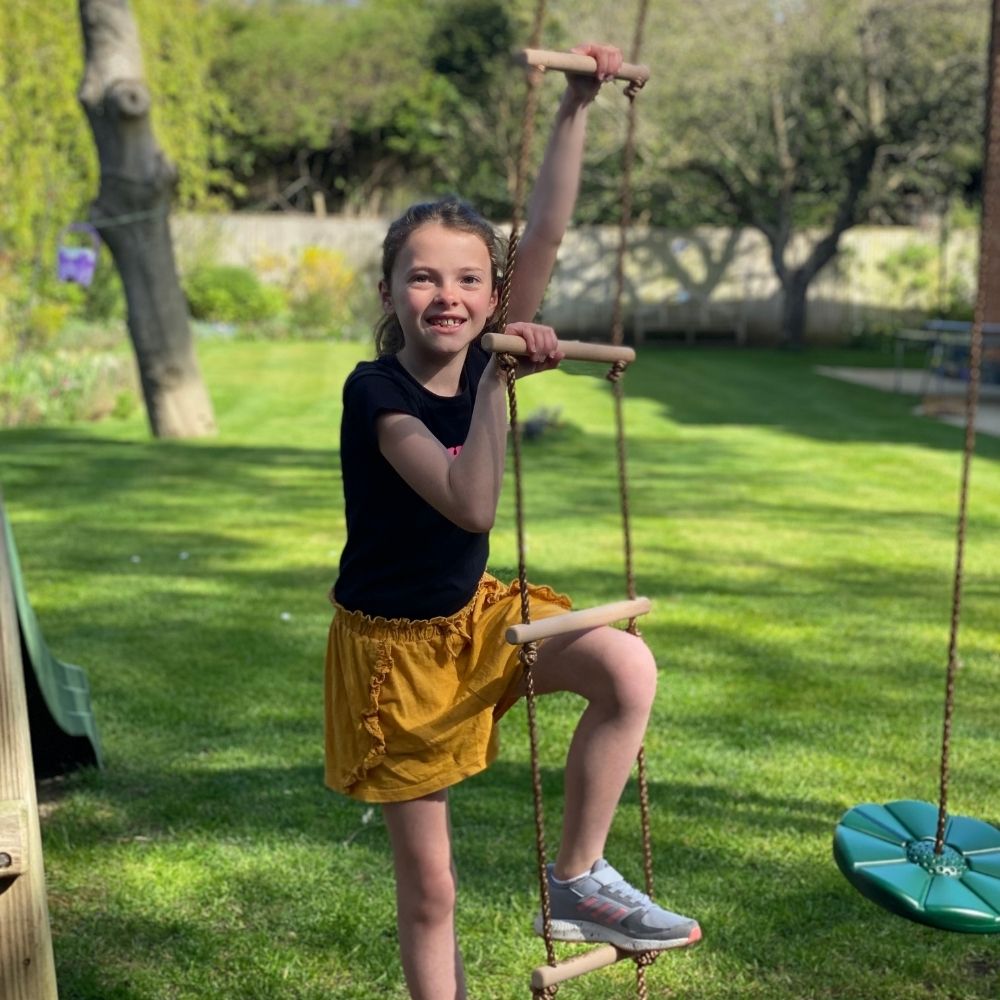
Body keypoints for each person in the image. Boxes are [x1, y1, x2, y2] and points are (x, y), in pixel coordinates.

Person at [325, 43, 700, 1000]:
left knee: (625, 663)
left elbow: (543, 230)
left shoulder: (493, 332)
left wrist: (576, 103)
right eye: (421, 279)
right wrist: (498, 375)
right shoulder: (377, 393)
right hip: (396, 658)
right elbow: (468, 500)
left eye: (467, 280)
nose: (447, 296)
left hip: (476, 617)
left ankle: (577, 881)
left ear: (494, 294)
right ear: (388, 295)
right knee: (431, 891)